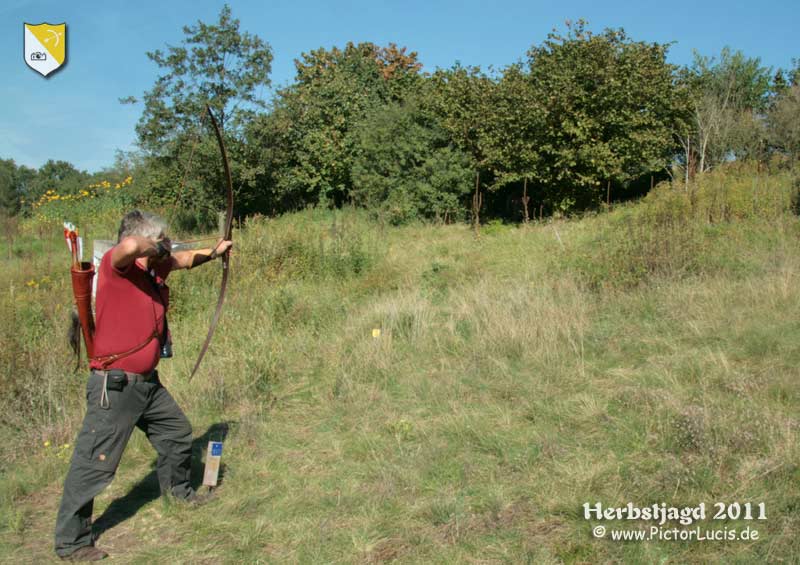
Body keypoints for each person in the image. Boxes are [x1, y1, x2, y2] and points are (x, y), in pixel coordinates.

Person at [54, 210, 233, 562]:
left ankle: (179, 493)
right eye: (160, 238)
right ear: (145, 241)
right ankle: (72, 543)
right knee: (95, 464)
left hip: (148, 386)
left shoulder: (152, 270)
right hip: (115, 387)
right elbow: (131, 245)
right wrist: (155, 246)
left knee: (178, 433)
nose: (166, 242)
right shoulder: (116, 267)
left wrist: (214, 252)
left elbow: (182, 259)